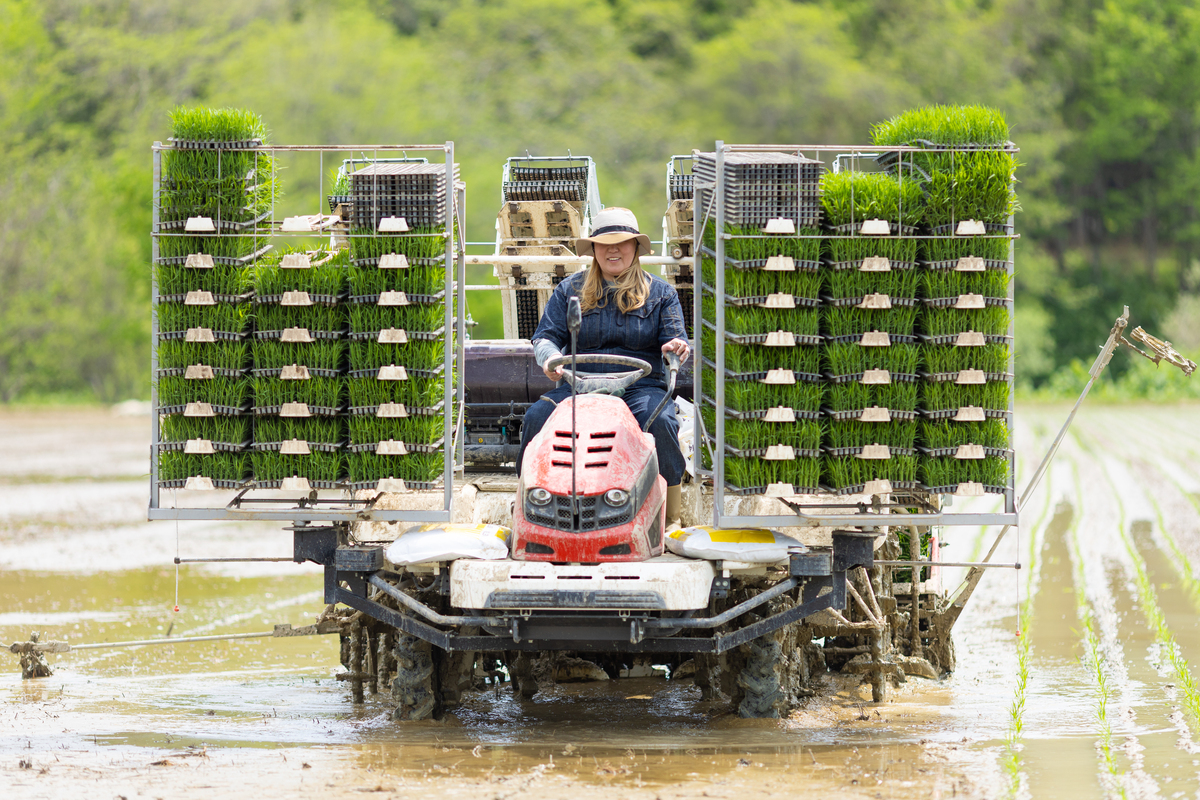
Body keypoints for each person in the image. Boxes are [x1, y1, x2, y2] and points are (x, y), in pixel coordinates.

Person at [519, 207, 691, 524]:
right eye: (605, 243)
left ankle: (671, 517)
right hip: (577, 386)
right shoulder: (568, 291)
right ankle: (534, 508)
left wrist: (674, 347)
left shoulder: (662, 293)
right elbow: (544, 338)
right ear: (594, 249)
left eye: (622, 242)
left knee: (662, 422)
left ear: (636, 247)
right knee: (536, 418)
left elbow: (676, 342)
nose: (613, 250)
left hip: (640, 388)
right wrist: (550, 359)